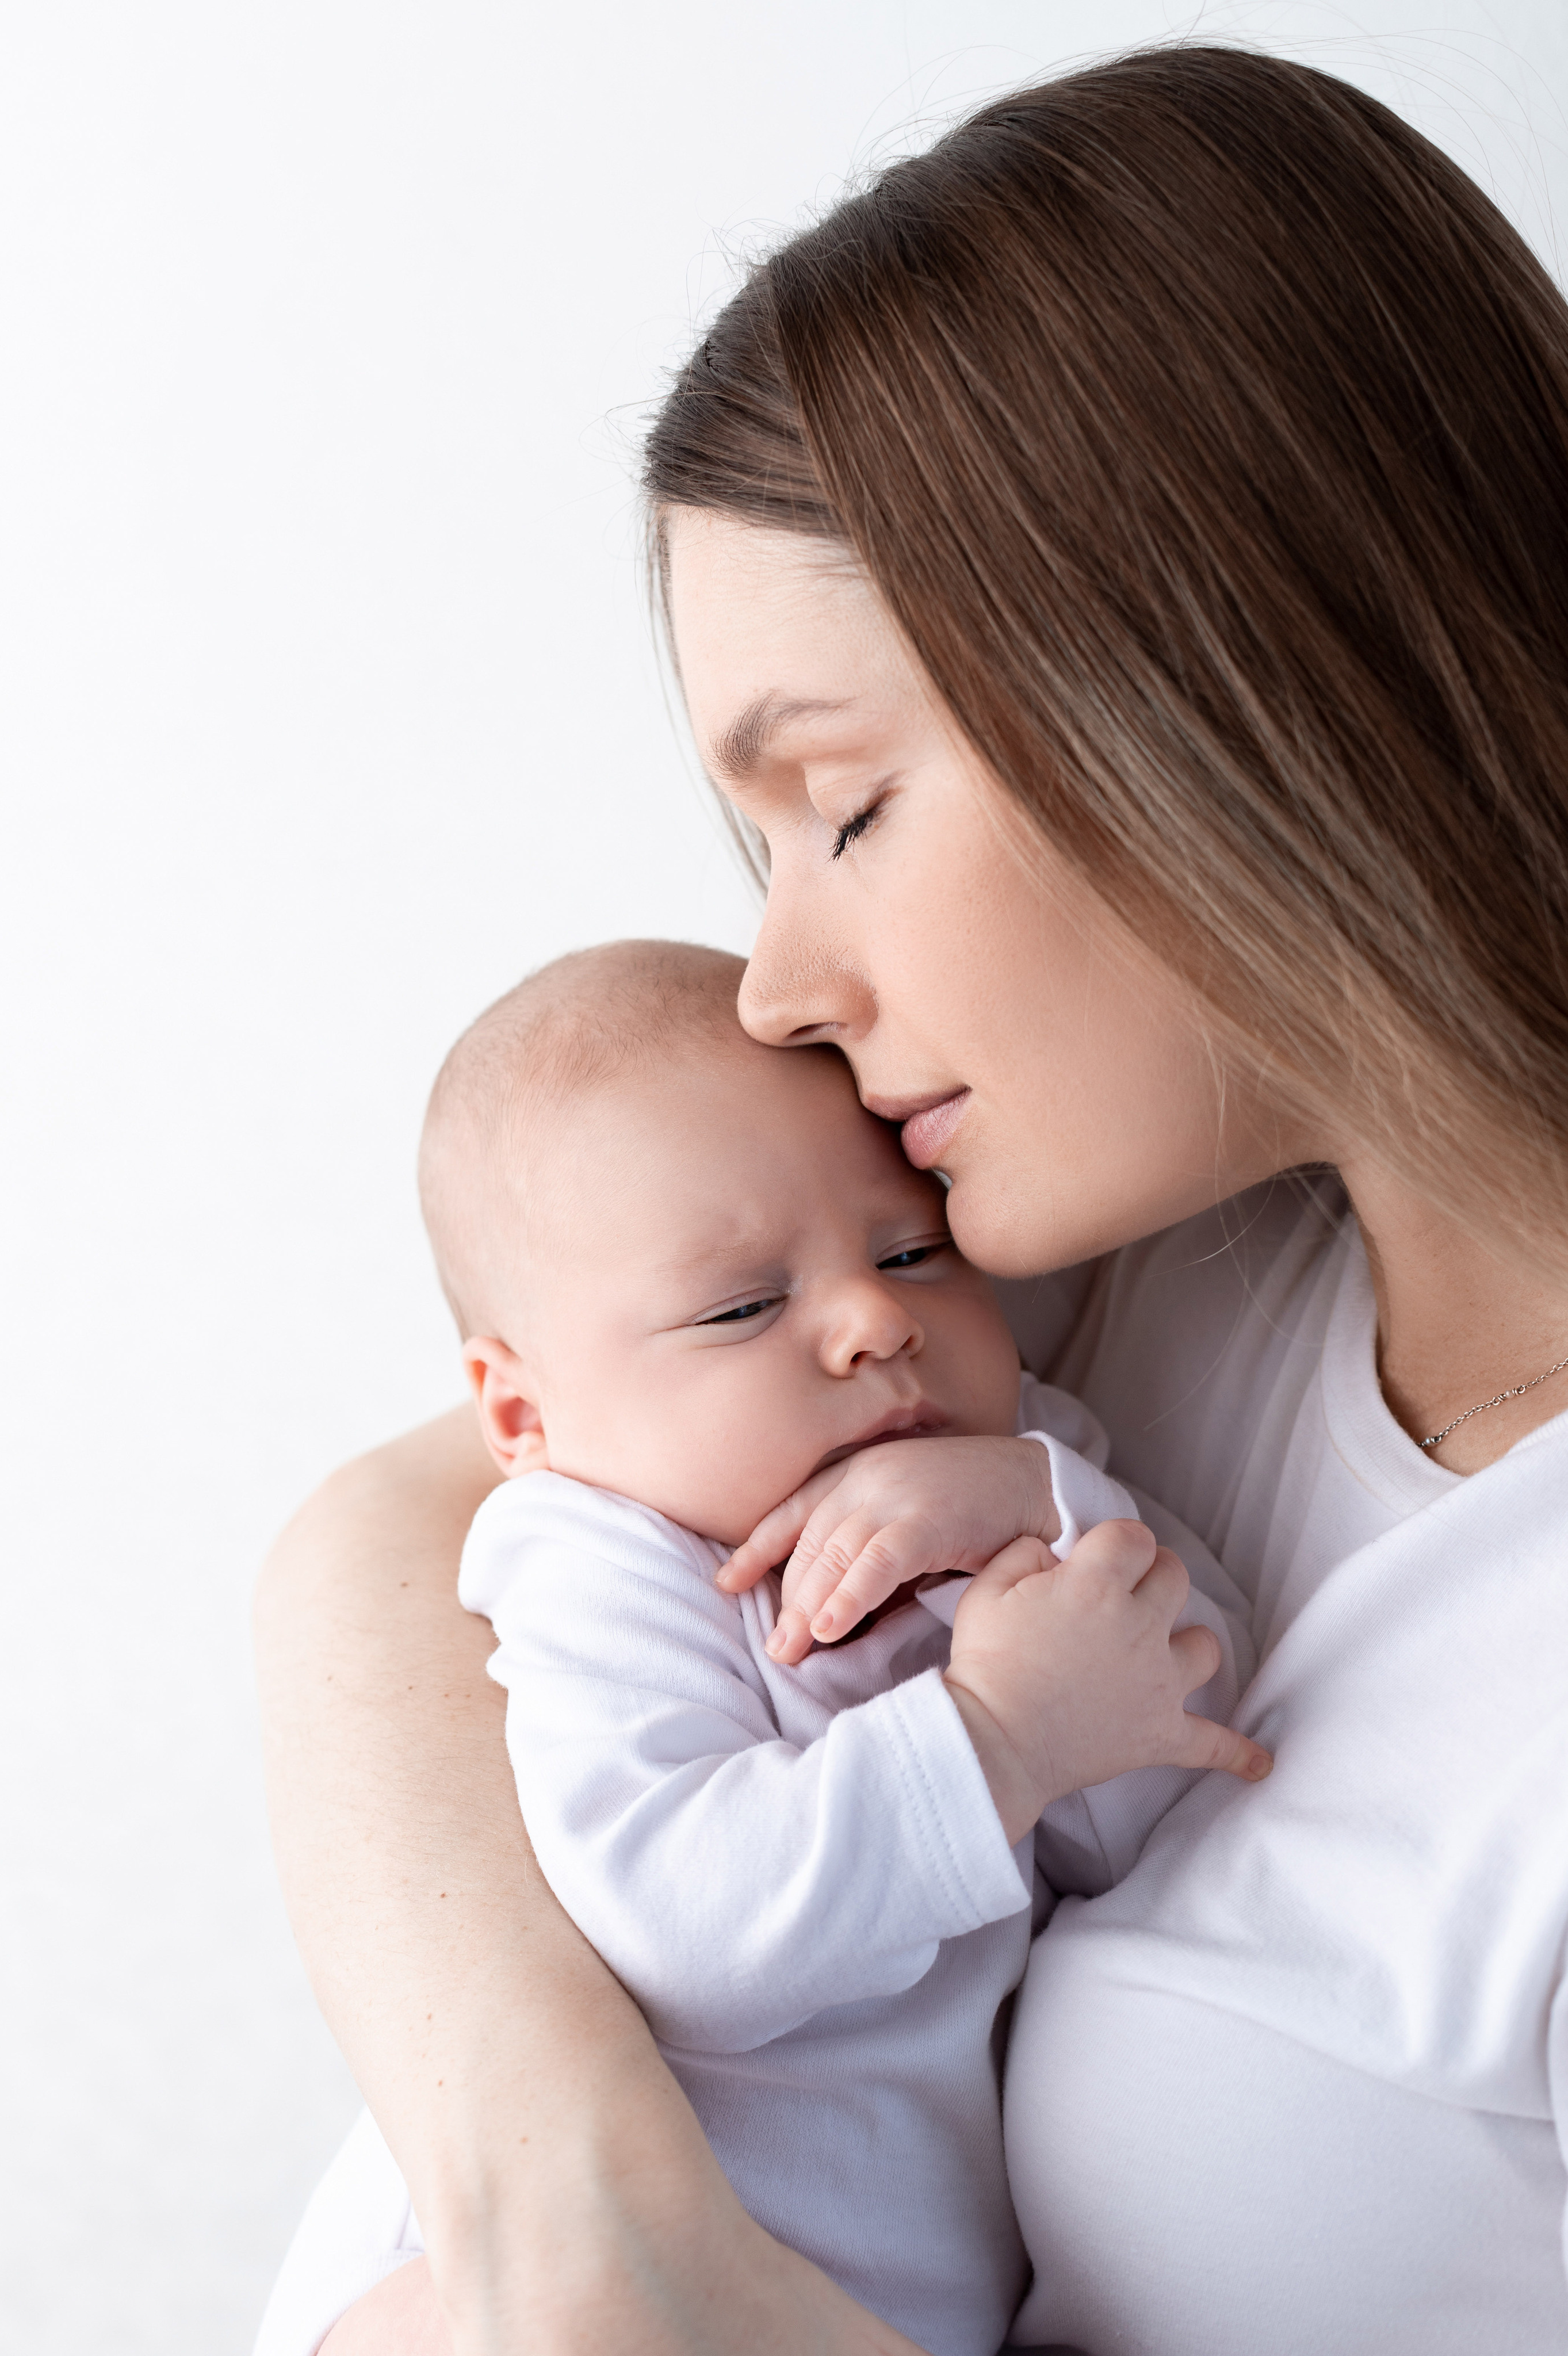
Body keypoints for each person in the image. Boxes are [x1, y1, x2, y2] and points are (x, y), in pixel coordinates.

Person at [256, 43, 1568, 2356]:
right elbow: (390, 1547)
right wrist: (572, 2198)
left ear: (1220, 684)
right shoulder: (1121, 1276)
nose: (773, 979)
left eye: (839, 808)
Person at [257, 936, 1264, 2356]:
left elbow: (1197, 1746)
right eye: (740, 1306)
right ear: (521, 1415)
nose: (871, 1321)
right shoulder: (596, 1551)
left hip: (866, 2299)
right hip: (493, 2297)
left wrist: (1041, 1505)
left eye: (912, 1249)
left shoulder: (1028, 1465)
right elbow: (683, 1918)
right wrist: (995, 1739)